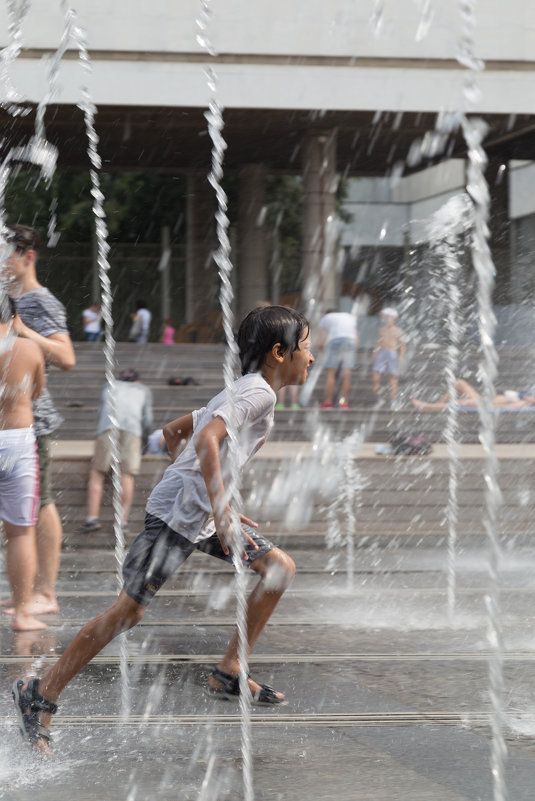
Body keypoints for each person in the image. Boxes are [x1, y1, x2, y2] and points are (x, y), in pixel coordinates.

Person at [12, 305, 313, 752]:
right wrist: (219, 508)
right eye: (306, 348)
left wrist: (210, 501)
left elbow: (174, 433)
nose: (310, 358)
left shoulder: (244, 390)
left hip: (197, 515)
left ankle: (230, 669)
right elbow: (207, 440)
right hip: (176, 518)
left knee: (278, 568)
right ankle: (41, 692)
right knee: (127, 613)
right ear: (278, 353)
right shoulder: (260, 395)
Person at [4, 224, 75, 617]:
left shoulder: (39, 301)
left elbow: (66, 357)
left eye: (6, 257)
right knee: (19, 510)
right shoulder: (11, 296)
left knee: (41, 502)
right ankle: (25, 590)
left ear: (28, 257)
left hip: (34, 422)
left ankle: (46, 592)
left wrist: (24, 331)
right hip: (14, 422)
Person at [0, 292, 46, 631]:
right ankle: (23, 613)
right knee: (20, 533)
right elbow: (36, 392)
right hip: (17, 441)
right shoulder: (29, 349)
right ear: (14, 317)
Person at [77, 369, 153, 533]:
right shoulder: (143, 390)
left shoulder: (108, 386)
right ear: (137, 381)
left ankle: (91, 519)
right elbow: (147, 419)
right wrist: (144, 443)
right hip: (133, 430)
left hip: (107, 427)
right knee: (126, 474)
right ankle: (122, 522)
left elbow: (100, 413)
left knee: (97, 472)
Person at [316, 309, 358, 409]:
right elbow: (356, 339)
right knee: (346, 374)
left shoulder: (325, 318)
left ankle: (328, 403)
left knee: (331, 374)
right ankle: (344, 403)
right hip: (350, 342)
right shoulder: (348, 316)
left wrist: (324, 352)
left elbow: (319, 342)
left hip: (335, 341)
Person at [411, 378, 535, 411]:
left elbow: (528, 402)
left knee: (464, 403)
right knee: (459, 383)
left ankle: (427, 406)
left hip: (498, 404)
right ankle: (440, 405)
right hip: (489, 400)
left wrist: (529, 400)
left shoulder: (524, 401)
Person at [371, 307, 406, 408]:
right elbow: (378, 343)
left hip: (392, 353)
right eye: (385, 317)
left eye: (388, 317)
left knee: (392, 378)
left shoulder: (398, 330)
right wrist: (375, 354)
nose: (386, 320)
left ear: (394, 319)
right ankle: (378, 398)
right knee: (375, 376)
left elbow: (403, 344)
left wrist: (401, 356)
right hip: (382, 353)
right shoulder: (381, 330)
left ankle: (393, 399)